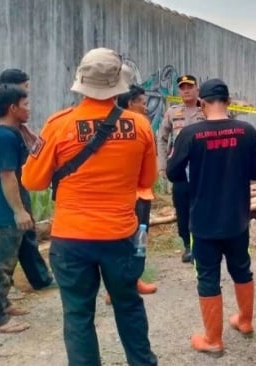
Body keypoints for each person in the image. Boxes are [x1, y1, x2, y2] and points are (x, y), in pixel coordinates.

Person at [21, 48, 158, 365]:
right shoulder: (139, 126)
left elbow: (33, 180)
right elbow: (147, 179)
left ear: (81, 81)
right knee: (129, 306)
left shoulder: (58, 124)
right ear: (118, 85)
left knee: (79, 315)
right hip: (121, 237)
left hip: (72, 240)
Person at [166, 79, 256, 357]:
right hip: (237, 219)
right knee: (242, 268)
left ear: (202, 102)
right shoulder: (246, 131)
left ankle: (213, 339)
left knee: (207, 276)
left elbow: (173, 172)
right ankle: (244, 321)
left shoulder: (190, 134)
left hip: (204, 220)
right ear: (229, 100)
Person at [0, 69, 54, 297]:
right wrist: (18, 208)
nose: (29, 100)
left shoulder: (7, 122)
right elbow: (5, 172)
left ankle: (40, 279)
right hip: (5, 194)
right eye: (25, 91)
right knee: (3, 247)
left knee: (25, 236)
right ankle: (1, 301)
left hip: (15, 189)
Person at [0, 84, 35, 333]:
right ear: (12, 108)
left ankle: (3, 305)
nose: (29, 109)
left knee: (8, 262)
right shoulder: (3, 136)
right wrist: (19, 210)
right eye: (25, 105)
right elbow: (7, 176)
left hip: (5, 211)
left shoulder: (10, 132)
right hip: (2, 213)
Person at [103, 83, 157, 300]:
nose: (145, 107)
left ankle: (135, 279)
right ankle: (114, 287)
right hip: (132, 195)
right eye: (142, 103)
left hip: (137, 194)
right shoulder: (138, 125)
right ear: (130, 103)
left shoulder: (110, 123)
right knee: (125, 241)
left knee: (138, 240)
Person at [157, 74, 205, 263]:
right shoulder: (172, 112)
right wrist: (162, 166)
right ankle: (187, 245)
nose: (186, 90)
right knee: (182, 207)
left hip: (203, 167)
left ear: (197, 89)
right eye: (182, 87)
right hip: (180, 167)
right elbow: (161, 138)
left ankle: (201, 244)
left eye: (189, 87)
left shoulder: (206, 109)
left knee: (201, 206)